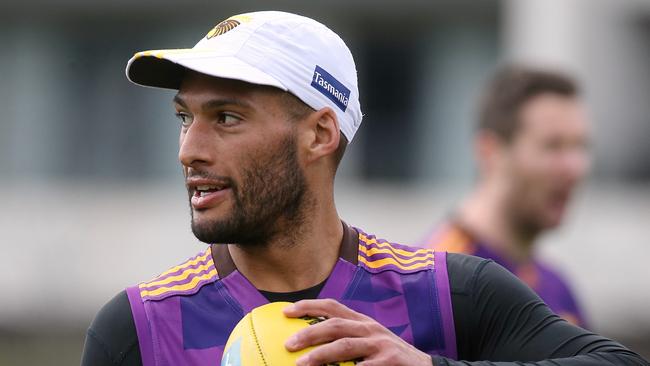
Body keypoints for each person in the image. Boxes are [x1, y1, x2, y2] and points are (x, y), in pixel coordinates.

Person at [81, 11, 647, 366]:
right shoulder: (137, 328)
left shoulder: (449, 293)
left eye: (226, 118)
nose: (189, 150)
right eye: (185, 118)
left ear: (320, 133)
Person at [423, 66, 590, 328]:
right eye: (553, 146)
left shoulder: (557, 287)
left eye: (580, 146)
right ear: (490, 152)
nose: (575, 167)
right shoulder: (438, 285)